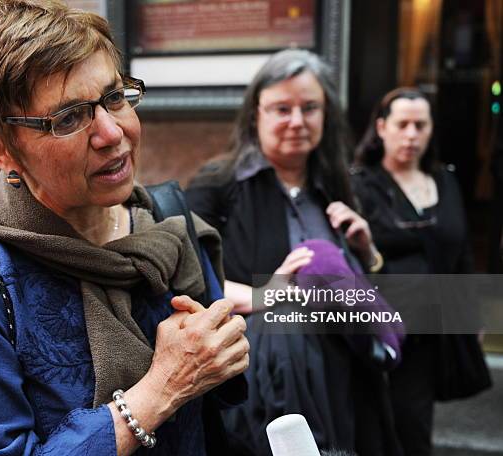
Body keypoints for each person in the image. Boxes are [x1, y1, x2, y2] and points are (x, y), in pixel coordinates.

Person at [0, 1, 249, 454]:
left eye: (113, 97)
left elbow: (216, 417)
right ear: (0, 148)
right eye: (67, 118)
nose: (111, 132)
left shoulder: (167, 225)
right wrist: (160, 389)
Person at [186, 49, 401, 456]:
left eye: (310, 107)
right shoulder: (218, 184)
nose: (297, 121)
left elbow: (362, 290)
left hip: (345, 373)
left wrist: (365, 251)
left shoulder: (336, 184)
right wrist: (265, 293)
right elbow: (185, 274)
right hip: (270, 379)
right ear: (256, 114)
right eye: (282, 108)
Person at [354, 87, 490, 456]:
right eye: (403, 124)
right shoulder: (360, 185)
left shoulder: (445, 181)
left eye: (420, 125)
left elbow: (461, 254)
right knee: (383, 425)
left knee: (415, 427)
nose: (411, 134)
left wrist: (471, 313)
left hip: (433, 330)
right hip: (384, 329)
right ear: (382, 128)